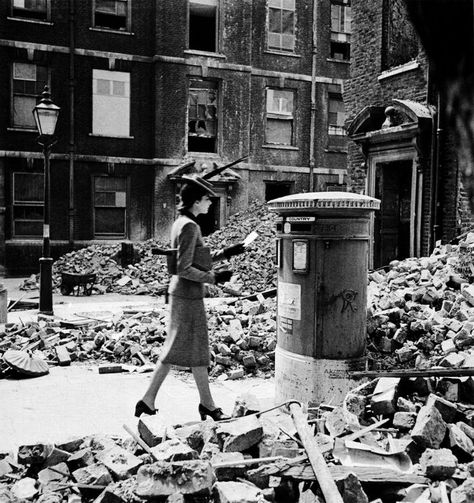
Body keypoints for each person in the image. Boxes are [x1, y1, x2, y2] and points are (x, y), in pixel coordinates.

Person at [135, 174, 245, 420]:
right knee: (184, 351)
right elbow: (184, 268)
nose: (210, 202)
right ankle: (198, 403)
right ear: (196, 201)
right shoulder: (189, 226)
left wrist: (227, 252)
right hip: (187, 297)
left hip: (184, 296)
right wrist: (214, 278)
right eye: (207, 198)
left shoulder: (182, 222)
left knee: (194, 352)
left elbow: (193, 258)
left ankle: (153, 400)